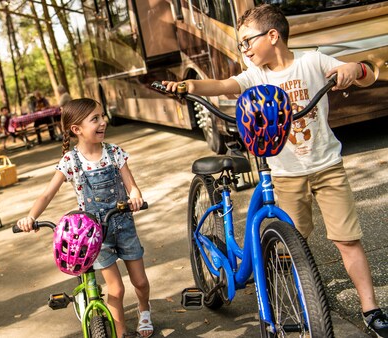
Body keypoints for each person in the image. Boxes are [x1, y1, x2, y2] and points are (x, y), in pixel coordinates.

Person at [163, 4, 386, 337]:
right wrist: (190, 88)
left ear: (273, 36)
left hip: (327, 168)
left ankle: (372, 310)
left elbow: (367, 73)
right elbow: (225, 86)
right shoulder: (256, 75)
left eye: (248, 41)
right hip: (285, 175)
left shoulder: (314, 61)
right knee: (291, 245)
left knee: (348, 242)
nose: (245, 49)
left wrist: (354, 69)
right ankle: (301, 302)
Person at [17, 98, 154, 338]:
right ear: (76, 129)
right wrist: (30, 217)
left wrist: (135, 196)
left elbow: (132, 186)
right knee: (116, 288)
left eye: (102, 117)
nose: (103, 122)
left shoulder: (114, 153)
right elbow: (47, 193)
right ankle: (120, 332)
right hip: (95, 236)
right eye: (95, 119)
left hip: (123, 226)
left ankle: (144, 310)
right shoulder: (70, 161)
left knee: (140, 281)